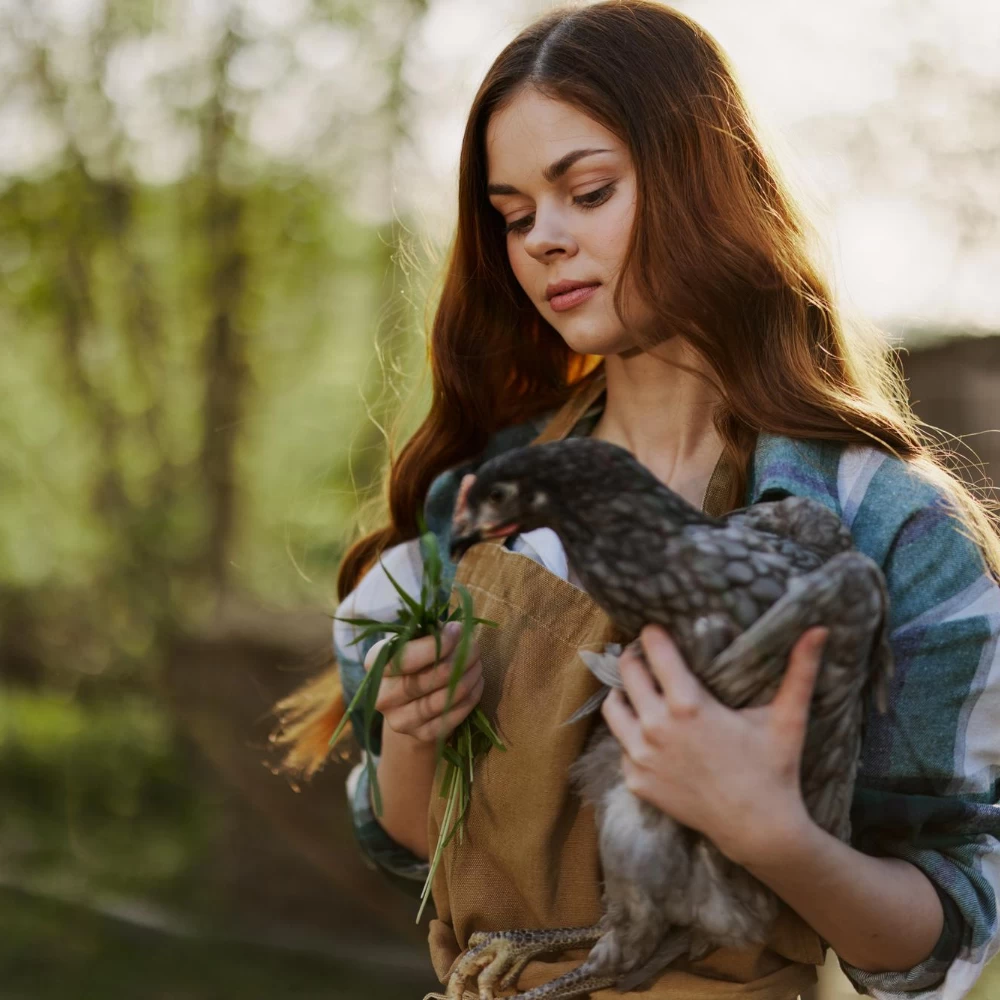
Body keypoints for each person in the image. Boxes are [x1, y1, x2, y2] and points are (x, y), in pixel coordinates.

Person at [268, 3, 1000, 997]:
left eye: (588, 191)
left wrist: (773, 834)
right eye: (516, 215)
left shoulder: (889, 526)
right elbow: (408, 840)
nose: (545, 240)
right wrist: (410, 728)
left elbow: (945, 934)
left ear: (706, 179)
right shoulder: (478, 504)